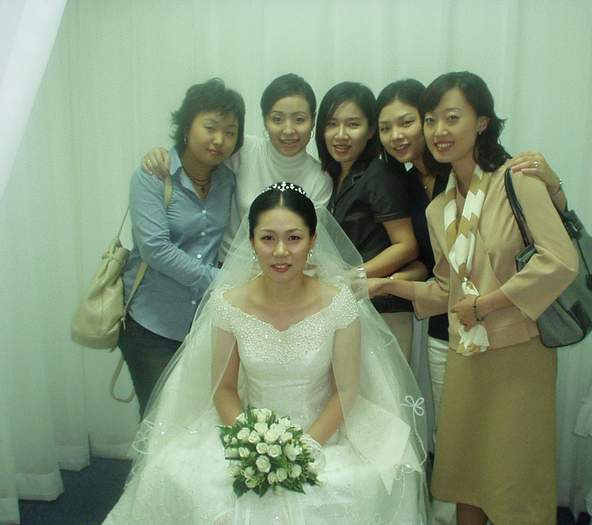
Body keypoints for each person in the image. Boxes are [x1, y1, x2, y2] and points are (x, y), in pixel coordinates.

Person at [103, 182, 428, 525]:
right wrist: (250, 443)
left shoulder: (339, 304)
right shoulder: (228, 304)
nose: (281, 251)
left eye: (294, 238)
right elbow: (224, 388)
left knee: (355, 486)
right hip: (245, 427)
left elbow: (345, 392)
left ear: (313, 240)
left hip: (325, 431)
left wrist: (303, 449)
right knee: (182, 477)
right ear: (251, 241)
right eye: (268, 238)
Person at [368, 71, 578, 525]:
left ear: (482, 122)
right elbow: (448, 291)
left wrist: (487, 304)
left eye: (452, 118)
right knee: (465, 476)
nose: (438, 131)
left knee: (514, 479)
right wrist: (386, 286)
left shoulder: (516, 181)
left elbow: (560, 262)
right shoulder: (439, 208)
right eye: (431, 120)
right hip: (466, 354)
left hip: (519, 356)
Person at [119, 78, 245, 417]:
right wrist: (218, 280)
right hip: (152, 324)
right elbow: (154, 248)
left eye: (230, 132)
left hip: (204, 323)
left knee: (195, 418)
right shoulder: (153, 176)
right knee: (158, 418)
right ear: (187, 127)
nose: (219, 140)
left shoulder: (228, 180)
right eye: (210, 127)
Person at [143, 73, 332, 257]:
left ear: (313, 121)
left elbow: (309, 242)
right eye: (277, 119)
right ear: (265, 120)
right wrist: (164, 154)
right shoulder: (243, 150)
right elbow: (198, 155)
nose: (288, 130)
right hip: (225, 268)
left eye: (299, 119)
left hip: (283, 270)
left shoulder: (320, 178)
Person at [316, 81, 419, 360]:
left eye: (353, 124)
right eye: (331, 124)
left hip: (384, 308)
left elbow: (406, 245)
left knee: (385, 387)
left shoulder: (379, 172)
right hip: (356, 304)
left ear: (371, 129)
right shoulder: (335, 175)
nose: (340, 135)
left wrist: (355, 277)